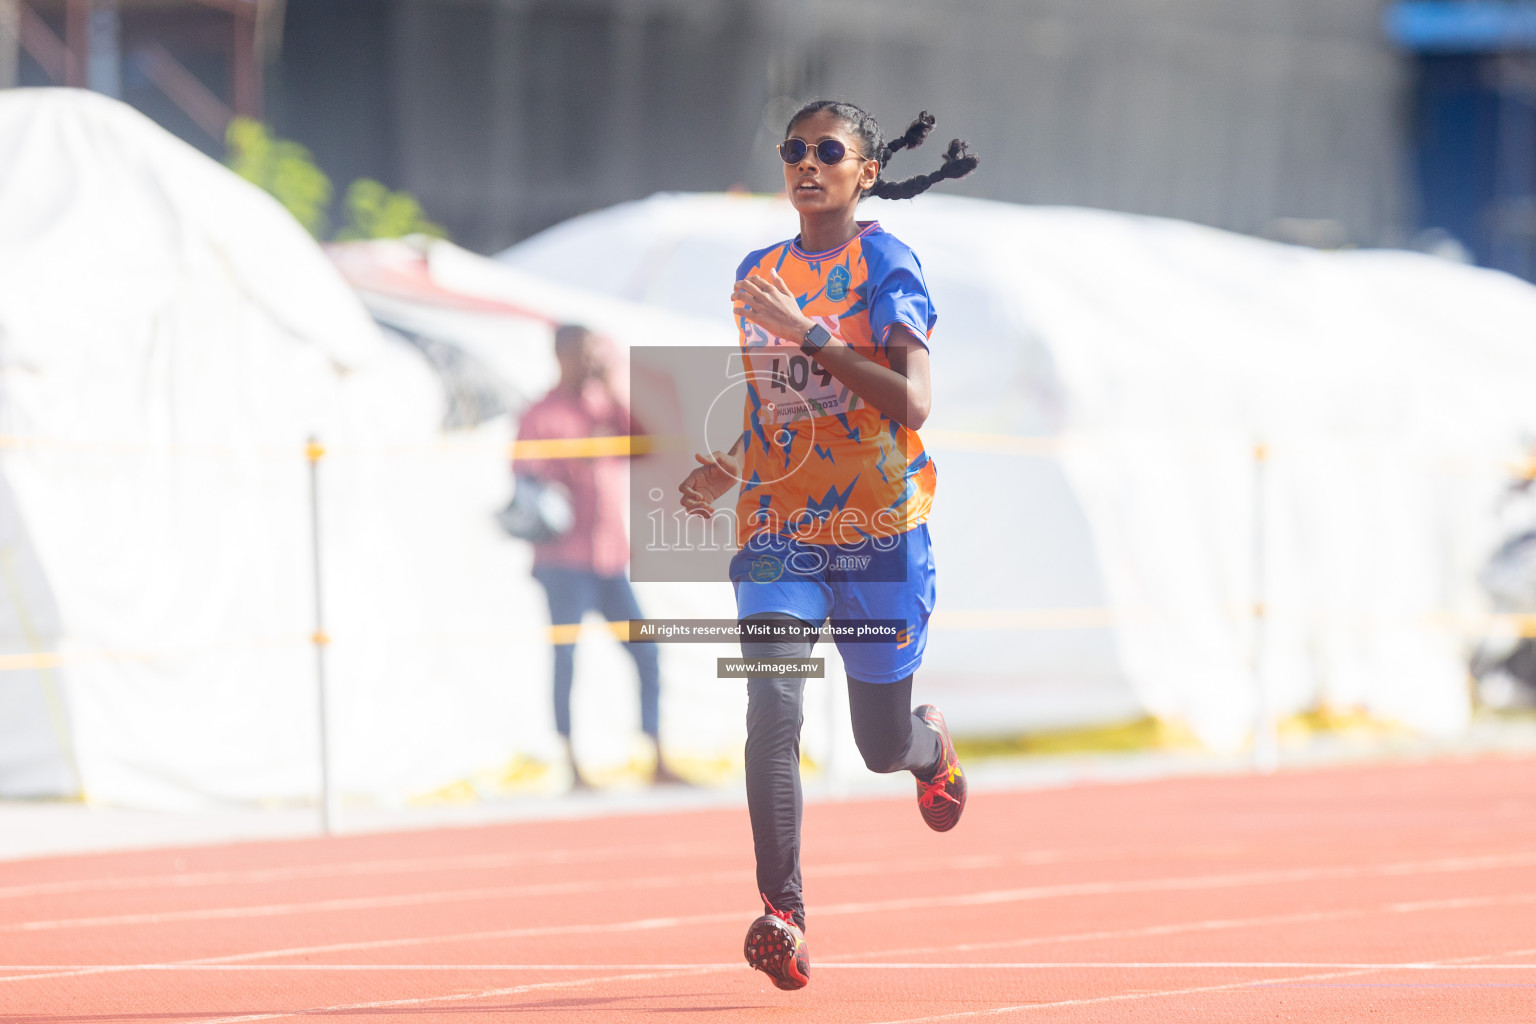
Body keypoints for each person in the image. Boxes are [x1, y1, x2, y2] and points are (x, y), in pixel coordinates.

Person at [677, 101, 978, 989]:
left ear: (866, 170)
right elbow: (780, 402)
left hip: (879, 532)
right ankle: (784, 914)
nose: (807, 164)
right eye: (794, 150)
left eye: (827, 151)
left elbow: (911, 402)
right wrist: (728, 468)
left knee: (878, 746)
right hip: (778, 531)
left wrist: (810, 330)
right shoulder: (755, 272)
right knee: (772, 703)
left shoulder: (886, 263)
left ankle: (930, 750)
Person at [516, 323, 682, 790]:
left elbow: (647, 444)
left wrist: (612, 389)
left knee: (646, 651)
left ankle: (656, 755)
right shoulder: (539, 414)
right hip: (561, 561)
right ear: (561, 354)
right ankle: (571, 764)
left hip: (609, 557)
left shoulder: (603, 408)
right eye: (582, 353)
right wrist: (573, 465)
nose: (589, 360)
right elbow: (524, 482)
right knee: (567, 657)